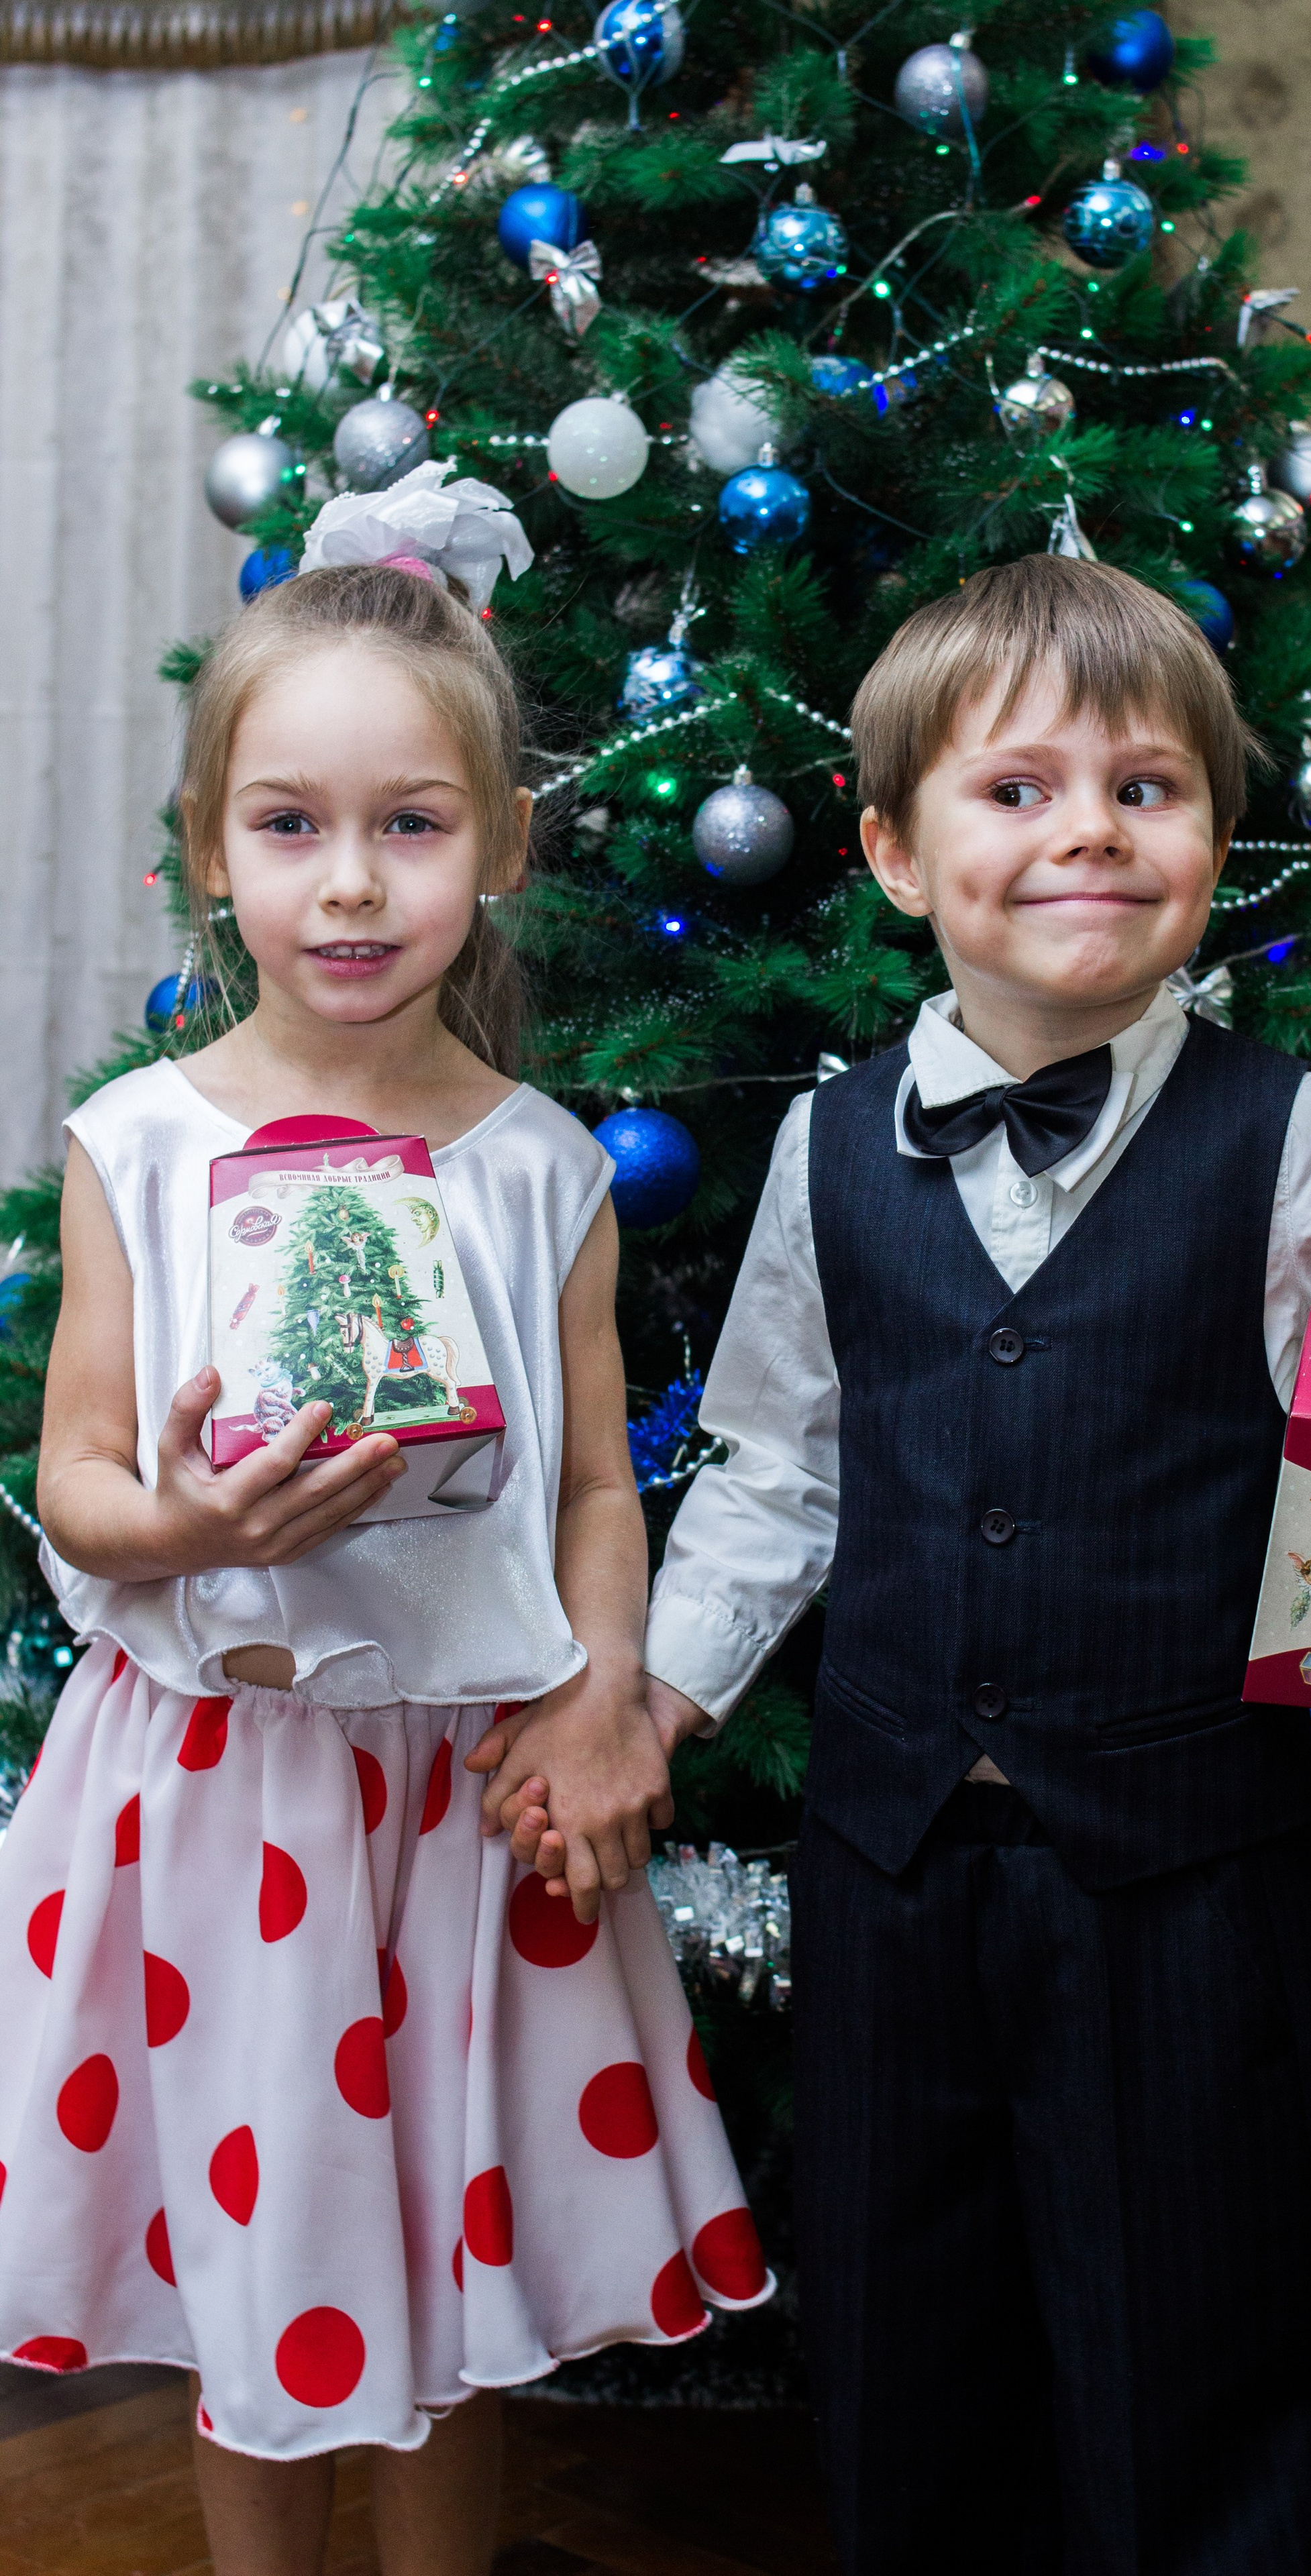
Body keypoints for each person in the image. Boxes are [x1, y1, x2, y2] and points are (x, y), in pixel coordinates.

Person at [629, 557, 1311, 2573]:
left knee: (1209, 2341)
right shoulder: (830, 1147)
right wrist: (651, 1705)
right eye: (1018, 789)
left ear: (1213, 840)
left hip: (1186, 1880)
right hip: (890, 1873)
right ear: (893, 853)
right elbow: (777, 1470)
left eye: (1146, 787)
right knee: (908, 2348)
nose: (1088, 828)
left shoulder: (1297, 1138)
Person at [0, 529, 768, 2576]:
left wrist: (601, 1695)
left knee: (450, 2275)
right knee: (260, 2273)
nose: (350, 883)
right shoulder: (141, 1145)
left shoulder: (540, 1167)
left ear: (500, 846)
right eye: (291, 825)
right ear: (210, 848)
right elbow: (75, 1476)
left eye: (410, 826)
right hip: (219, 1798)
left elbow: (593, 1489)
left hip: (467, 1805)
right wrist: (182, 1522)